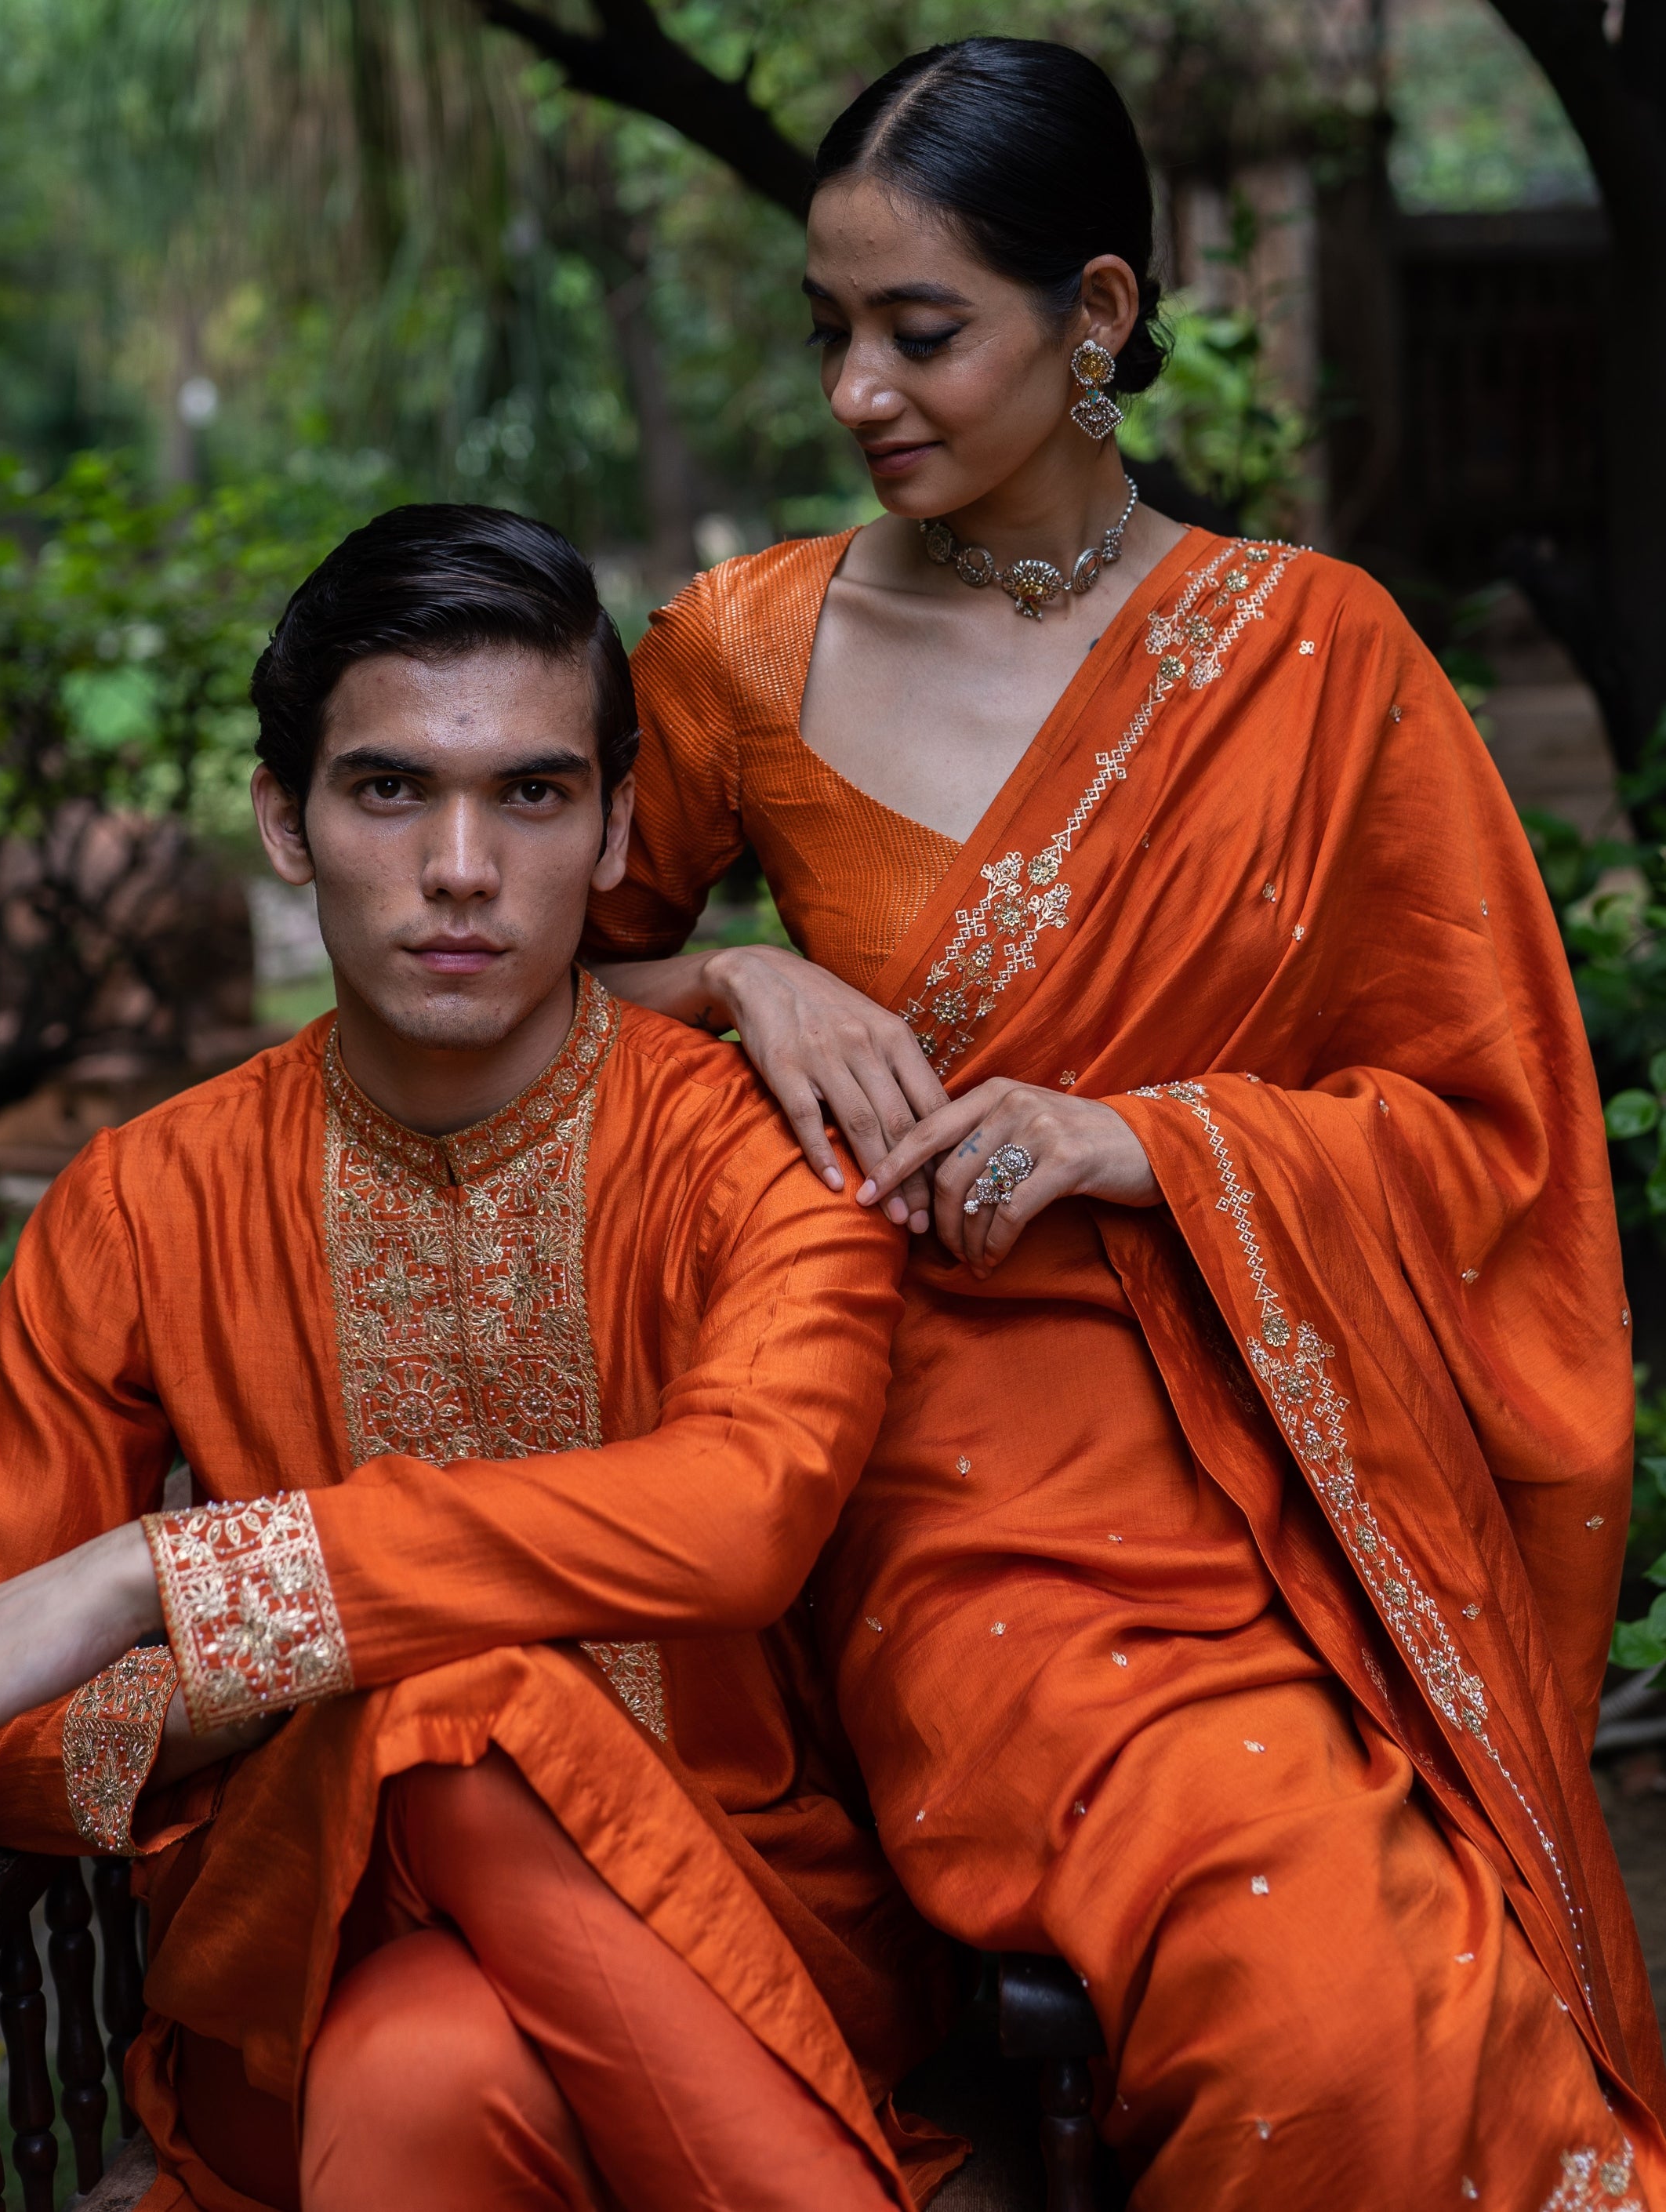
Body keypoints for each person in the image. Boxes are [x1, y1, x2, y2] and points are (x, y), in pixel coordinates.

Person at [583, 35, 1666, 2209]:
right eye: (829, 335)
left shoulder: (1320, 659)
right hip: (940, 1466)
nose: (856, 394)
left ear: (1091, 317)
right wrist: (732, 974)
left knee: (1461, 1964)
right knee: (1319, 1990)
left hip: (1297, 1433)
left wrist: (1150, 1141)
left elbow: (1490, 1128)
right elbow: (499, 1013)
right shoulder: (740, 653)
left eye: (920, 332)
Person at [0, 505, 964, 2212]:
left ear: (617, 822)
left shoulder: (758, 1152)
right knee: (444, 1695)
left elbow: (740, 1517)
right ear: (285, 821)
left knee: (423, 2055)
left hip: (738, 1940)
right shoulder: (143, 1200)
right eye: (390, 789)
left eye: (530, 795)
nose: (459, 866)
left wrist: (168, 1577)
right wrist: (284, 1671)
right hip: (291, 1947)